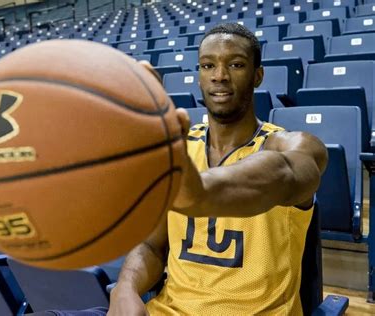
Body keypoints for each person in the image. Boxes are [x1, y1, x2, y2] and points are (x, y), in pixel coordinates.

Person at [38, 22, 327, 316]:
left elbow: (288, 172)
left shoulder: (290, 145)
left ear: (257, 76)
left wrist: (200, 193)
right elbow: (152, 246)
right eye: (207, 65)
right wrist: (125, 289)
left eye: (236, 64)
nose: (219, 76)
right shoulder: (177, 149)